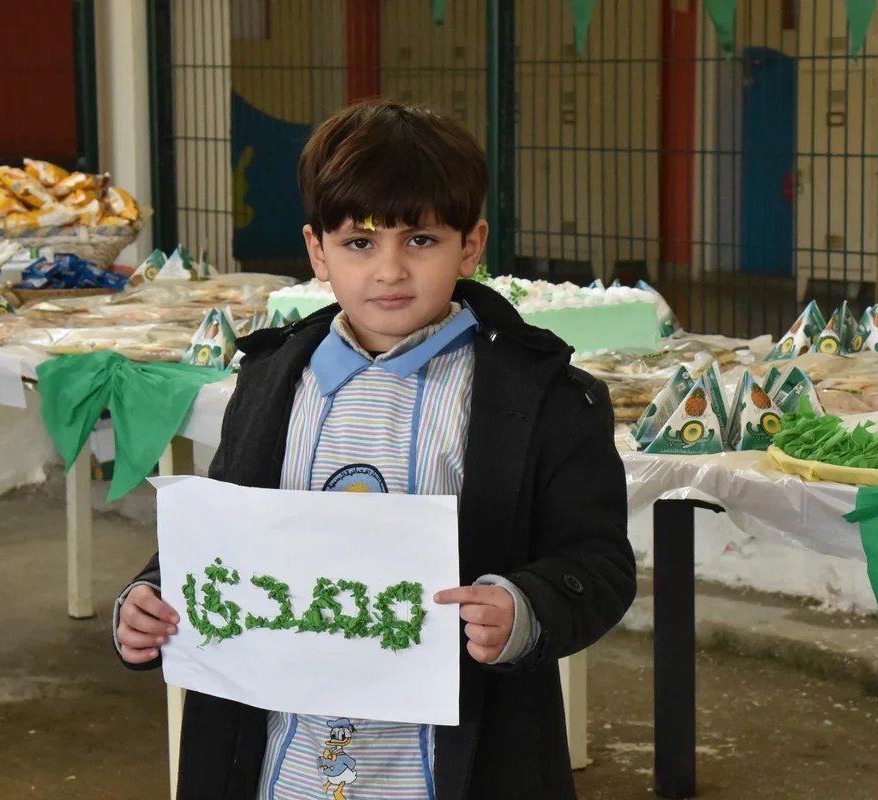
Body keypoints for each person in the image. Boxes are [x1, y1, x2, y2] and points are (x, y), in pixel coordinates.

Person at [114, 100, 637, 800]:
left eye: (420, 239)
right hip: (282, 763)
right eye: (360, 243)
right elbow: (221, 541)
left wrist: (525, 608)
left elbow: (598, 562)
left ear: (471, 245)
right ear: (317, 251)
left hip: (454, 764)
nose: (390, 270)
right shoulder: (269, 382)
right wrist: (150, 596)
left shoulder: (543, 398)